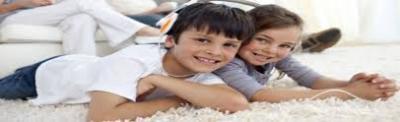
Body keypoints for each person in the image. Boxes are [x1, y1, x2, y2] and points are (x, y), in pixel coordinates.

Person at [0, 3, 255, 121]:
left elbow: (236, 104)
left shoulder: (199, 66)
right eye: (202, 40)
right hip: (48, 75)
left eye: (229, 45)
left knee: (81, 21)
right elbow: (101, 118)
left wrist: (159, 81)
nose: (214, 52)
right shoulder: (134, 60)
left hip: (87, 64)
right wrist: (183, 98)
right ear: (169, 41)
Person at [214, 4, 398, 103]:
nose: (271, 50)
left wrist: (353, 83)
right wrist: (349, 93)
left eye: (285, 45)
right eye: (262, 39)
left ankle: (307, 43)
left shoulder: (276, 54)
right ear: (243, 33)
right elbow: (262, 95)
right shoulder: (227, 62)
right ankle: (308, 43)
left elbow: (313, 80)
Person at [0, 0, 161, 55]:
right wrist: (20, 3)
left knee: (82, 19)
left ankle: (82, 79)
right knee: (84, 2)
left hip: (48, 13)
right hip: (12, 17)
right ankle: (141, 30)